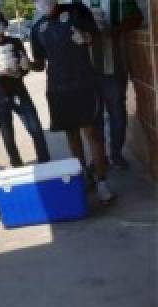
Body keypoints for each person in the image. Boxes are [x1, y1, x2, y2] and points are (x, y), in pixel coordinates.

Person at [29, 0, 116, 205]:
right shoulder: (37, 28)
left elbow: (96, 37)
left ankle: (102, 182)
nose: (43, 3)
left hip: (84, 84)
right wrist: (26, 65)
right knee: (72, 135)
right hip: (58, 90)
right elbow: (39, 65)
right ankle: (84, 176)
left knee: (92, 133)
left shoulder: (76, 10)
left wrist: (85, 38)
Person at [0, 12, 52, 168]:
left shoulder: (15, 42)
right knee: (7, 133)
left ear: (5, 25)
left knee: (35, 128)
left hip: (19, 91)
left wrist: (23, 68)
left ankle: (45, 161)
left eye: (0, 22)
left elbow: (24, 64)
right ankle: (16, 163)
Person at [88, 0, 144, 169]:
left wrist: (114, 30)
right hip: (87, 72)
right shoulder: (74, 2)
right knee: (93, 116)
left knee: (117, 114)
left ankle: (116, 154)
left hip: (114, 68)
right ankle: (99, 156)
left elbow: (136, 18)